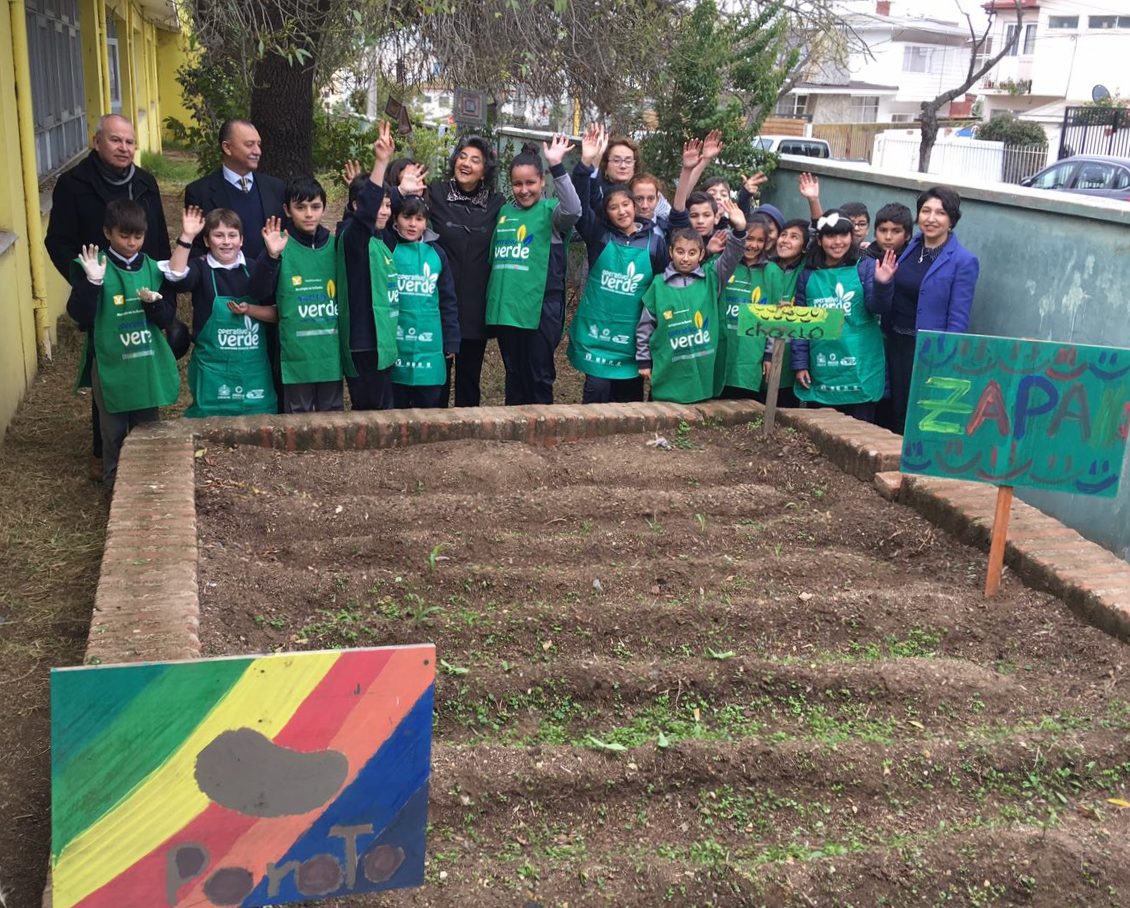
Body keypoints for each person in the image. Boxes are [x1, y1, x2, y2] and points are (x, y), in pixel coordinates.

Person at [45, 114, 172, 481]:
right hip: (100, 291)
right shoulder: (73, 184)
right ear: (96, 142)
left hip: (143, 289)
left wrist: (162, 287)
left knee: (141, 362)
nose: (124, 148)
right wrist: (85, 279)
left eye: (129, 142)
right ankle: (104, 452)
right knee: (108, 367)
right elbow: (58, 241)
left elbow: (159, 238)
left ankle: (145, 453)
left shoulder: (145, 182)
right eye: (116, 140)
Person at [66, 200, 178, 488]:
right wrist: (92, 283)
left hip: (146, 361)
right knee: (113, 431)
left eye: (138, 236)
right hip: (111, 361)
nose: (131, 243)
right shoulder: (94, 266)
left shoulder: (153, 268)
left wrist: (155, 304)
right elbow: (79, 315)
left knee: (148, 428)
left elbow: (167, 318)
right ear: (108, 232)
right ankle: (114, 485)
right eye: (124, 236)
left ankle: (149, 482)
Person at [635, 135, 747, 404]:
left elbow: (732, 256)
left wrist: (740, 229)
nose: (686, 258)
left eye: (693, 253)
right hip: (669, 360)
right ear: (671, 251)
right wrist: (691, 168)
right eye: (680, 252)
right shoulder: (661, 280)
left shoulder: (711, 274)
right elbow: (646, 325)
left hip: (703, 354)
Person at [393, 136, 504, 408]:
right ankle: (435, 427)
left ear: (485, 170)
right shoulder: (436, 193)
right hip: (437, 306)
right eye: (462, 156)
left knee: (469, 380)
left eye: (475, 160)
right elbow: (398, 212)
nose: (466, 163)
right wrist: (401, 188)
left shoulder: (496, 204)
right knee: (437, 380)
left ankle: (465, 431)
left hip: (475, 307)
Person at [568, 125, 667, 404]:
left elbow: (661, 288)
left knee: (629, 404)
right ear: (606, 213)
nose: (622, 211)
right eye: (613, 207)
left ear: (635, 206)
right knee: (596, 394)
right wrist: (586, 163)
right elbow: (579, 203)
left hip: (632, 340)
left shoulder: (655, 243)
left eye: (626, 205)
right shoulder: (598, 236)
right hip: (597, 338)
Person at [485, 137, 582, 405]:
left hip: (541, 309)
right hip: (508, 309)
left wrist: (557, 166)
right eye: (517, 184)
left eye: (530, 182)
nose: (524, 190)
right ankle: (514, 424)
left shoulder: (551, 212)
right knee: (514, 374)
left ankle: (540, 424)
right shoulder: (504, 213)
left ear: (542, 182)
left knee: (539, 375)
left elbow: (574, 210)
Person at [160, 207, 278, 417]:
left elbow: (277, 311)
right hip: (213, 372)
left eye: (232, 235)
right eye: (218, 235)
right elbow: (176, 277)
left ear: (241, 240)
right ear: (207, 241)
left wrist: (272, 256)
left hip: (253, 371)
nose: (226, 242)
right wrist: (187, 237)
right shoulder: (200, 268)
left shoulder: (254, 267)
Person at [886, 187, 980, 434]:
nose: (931, 218)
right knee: (894, 410)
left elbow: (958, 317)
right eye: (925, 211)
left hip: (927, 350)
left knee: (919, 413)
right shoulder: (909, 248)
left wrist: (945, 357)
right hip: (895, 343)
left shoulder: (963, 260)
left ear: (952, 219)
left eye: (940, 213)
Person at [249, 178, 346, 413]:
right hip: (295, 350)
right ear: (287, 210)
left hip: (330, 350)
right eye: (300, 207)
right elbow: (259, 292)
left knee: (332, 416)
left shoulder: (335, 246)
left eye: (315, 206)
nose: (309, 214)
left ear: (324, 208)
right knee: (298, 417)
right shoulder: (280, 245)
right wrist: (271, 257)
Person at [791, 210, 897, 423]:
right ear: (819, 240)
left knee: (860, 430)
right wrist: (800, 363)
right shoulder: (807, 275)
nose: (838, 242)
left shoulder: (865, 267)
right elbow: (801, 324)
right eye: (831, 236)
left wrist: (883, 283)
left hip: (861, 363)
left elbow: (877, 307)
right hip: (822, 365)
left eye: (843, 235)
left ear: (852, 237)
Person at [337, 123, 401, 410]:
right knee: (369, 418)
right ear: (356, 206)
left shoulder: (381, 238)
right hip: (363, 344)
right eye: (379, 205)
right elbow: (365, 213)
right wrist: (381, 162)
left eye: (388, 205)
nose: (384, 211)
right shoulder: (353, 238)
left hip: (382, 341)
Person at [380, 191, 460, 408]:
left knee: (429, 403)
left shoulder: (437, 254)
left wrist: (451, 339)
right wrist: (398, 191)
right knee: (396, 404)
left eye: (419, 219)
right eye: (407, 217)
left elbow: (448, 301)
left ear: (426, 223)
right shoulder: (387, 247)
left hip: (430, 341)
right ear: (395, 219)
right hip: (396, 339)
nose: (413, 224)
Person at [183, 119, 286, 262]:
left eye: (259, 144)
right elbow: (196, 247)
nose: (257, 151)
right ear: (227, 148)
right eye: (249, 145)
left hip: (271, 271)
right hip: (222, 274)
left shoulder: (276, 188)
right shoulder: (200, 192)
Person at [718, 213, 776, 399]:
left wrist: (769, 355)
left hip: (751, 355)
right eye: (749, 238)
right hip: (722, 349)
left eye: (760, 240)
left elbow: (775, 318)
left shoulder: (773, 272)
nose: (753, 245)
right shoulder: (724, 265)